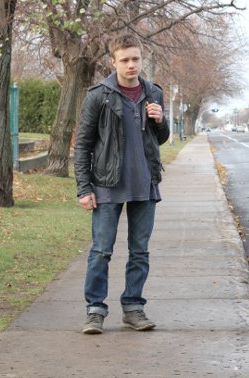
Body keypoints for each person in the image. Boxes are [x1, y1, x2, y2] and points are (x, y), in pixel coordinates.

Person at [74, 33, 169, 334]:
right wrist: (84, 188)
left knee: (140, 251)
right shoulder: (98, 95)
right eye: (125, 59)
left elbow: (161, 139)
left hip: (145, 183)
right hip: (106, 184)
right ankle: (94, 311)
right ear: (113, 61)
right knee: (101, 250)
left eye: (136, 59)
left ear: (142, 60)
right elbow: (83, 145)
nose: (131, 65)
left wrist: (160, 120)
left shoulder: (154, 92)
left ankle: (133, 308)